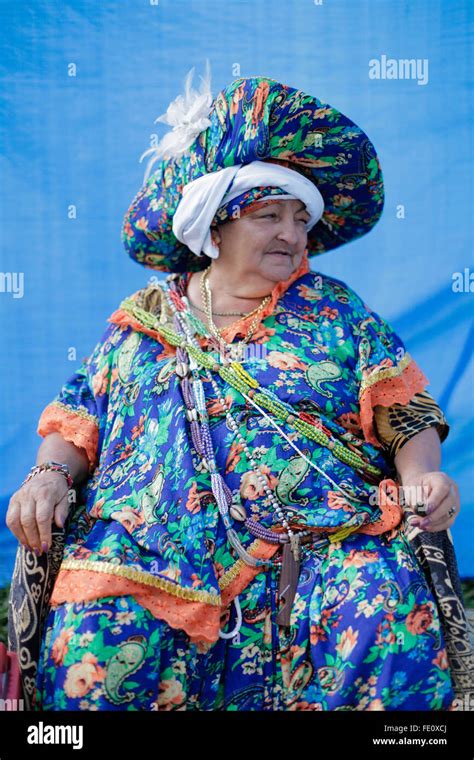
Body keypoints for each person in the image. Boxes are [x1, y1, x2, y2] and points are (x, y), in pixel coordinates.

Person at [6, 66, 474, 712]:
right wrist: (50, 478)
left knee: (378, 612)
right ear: (214, 230)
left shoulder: (335, 312)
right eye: (268, 215)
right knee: (96, 647)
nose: (291, 234)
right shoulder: (144, 323)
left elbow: (404, 412)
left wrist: (426, 478)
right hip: (155, 555)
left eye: (299, 218)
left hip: (318, 547)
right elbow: (77, 424)